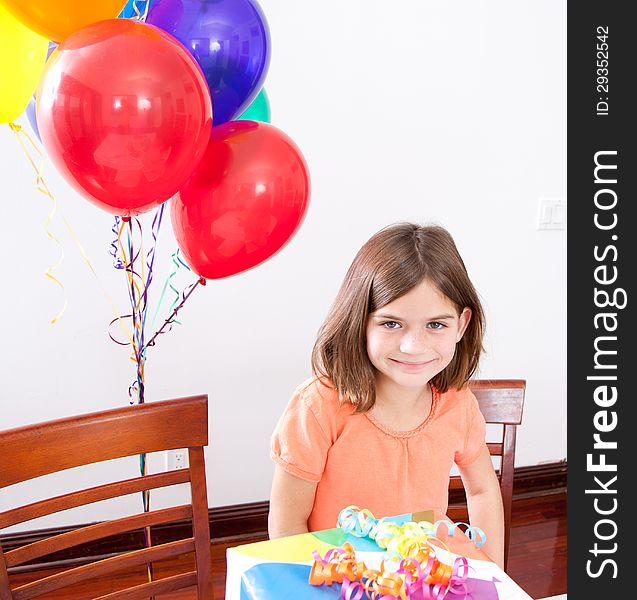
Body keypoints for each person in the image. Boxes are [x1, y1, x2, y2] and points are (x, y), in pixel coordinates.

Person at [268, 222, 505, 569]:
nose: (413, 347)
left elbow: (483, 490)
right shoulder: (318, 407)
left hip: (421, 580)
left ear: (462, 324)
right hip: (338, 584)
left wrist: (493, 574)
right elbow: (287, 526)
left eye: (436, 325)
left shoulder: (458, 404)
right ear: (359, 321)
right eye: (391, 323)